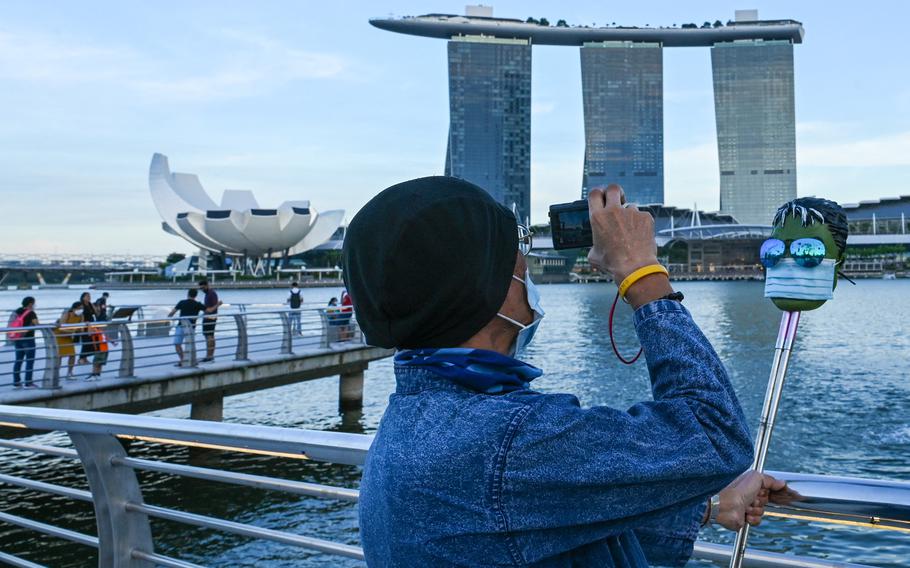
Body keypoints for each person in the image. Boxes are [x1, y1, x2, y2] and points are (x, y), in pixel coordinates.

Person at [344, 177, 786, 567]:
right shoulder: (504, 437)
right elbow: (714, 434)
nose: (526, 265)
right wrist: (642, 275)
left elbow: (530, 519)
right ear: (486, 290)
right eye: (518, 252)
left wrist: (705, 505)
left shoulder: (417, 418)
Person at [168, 289, 206, 366]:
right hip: (191, 327)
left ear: (188, 294)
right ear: (196, 296)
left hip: (181, 325)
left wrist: (170, 317)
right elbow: (208, 310)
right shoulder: (198, 304)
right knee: (190, 344)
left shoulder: (182, 302)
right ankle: (192, 360)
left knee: (177, 343)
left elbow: (171, 313)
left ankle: (182, 360)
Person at [9, 296, 39, 388]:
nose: (35, 305)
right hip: (28, 339)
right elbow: (37, 324)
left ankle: (16, 381)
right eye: (34, 303)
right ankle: (28, 382)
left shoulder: (17, 311)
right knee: (29, 361)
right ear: (30, 304)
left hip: (17, 338)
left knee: (18, 360)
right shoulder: (31, 313)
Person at [54, 302, 84, 378]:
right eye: (80, 308)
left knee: (72, 355)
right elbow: (61, 328)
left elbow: (81, 328)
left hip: (68, 336)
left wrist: (85, 325)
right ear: (74, 308)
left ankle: (69, 373)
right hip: (59, 336)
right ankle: (56, 373)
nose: (81, 310)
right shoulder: (67, 314)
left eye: (82, 308)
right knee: (59, 356)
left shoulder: (81, 316)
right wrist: (72, 332)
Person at [198, 280, 222, 362]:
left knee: (209, 337)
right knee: (210, 336)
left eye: (203, 287)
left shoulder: (211, 294)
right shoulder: (208, 294)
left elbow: (212, 308)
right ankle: (210, 356)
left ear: (207, 285)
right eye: (200, 288)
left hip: (210, 318)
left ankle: (209, 356)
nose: (202, 289)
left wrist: (217, 305)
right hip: (209, 317)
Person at [77, 292, 97, 364]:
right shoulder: (81, 305)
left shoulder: (90, 304)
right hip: (85, 325)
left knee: (91, 342)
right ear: (83, 297)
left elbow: (96, 313)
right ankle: (81, 358)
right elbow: (79, 315)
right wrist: (82, 326)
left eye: (89, 296)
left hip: (91, 325)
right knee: (86, 342)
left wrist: (93, 306)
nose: (89, 297)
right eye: (87, 296)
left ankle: (84, 358)